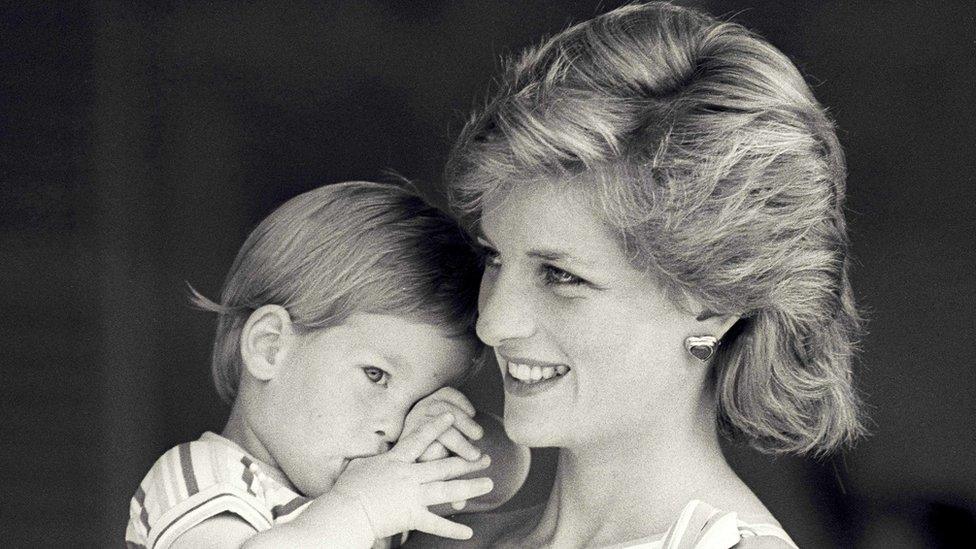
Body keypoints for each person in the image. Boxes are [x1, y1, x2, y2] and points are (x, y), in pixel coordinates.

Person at [418, 2, 866, 547]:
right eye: (494, 258)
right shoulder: (437, 532)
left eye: (560, 275)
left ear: (712, 300)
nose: (492, 322)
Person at [125, 181, 530, 548]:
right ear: (270, 346)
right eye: (376, 375)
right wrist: (360, 511)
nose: (392, 427)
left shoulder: (360, 486)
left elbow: (501, 474)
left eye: (416, 401)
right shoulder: (201, 478)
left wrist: (436, 433)